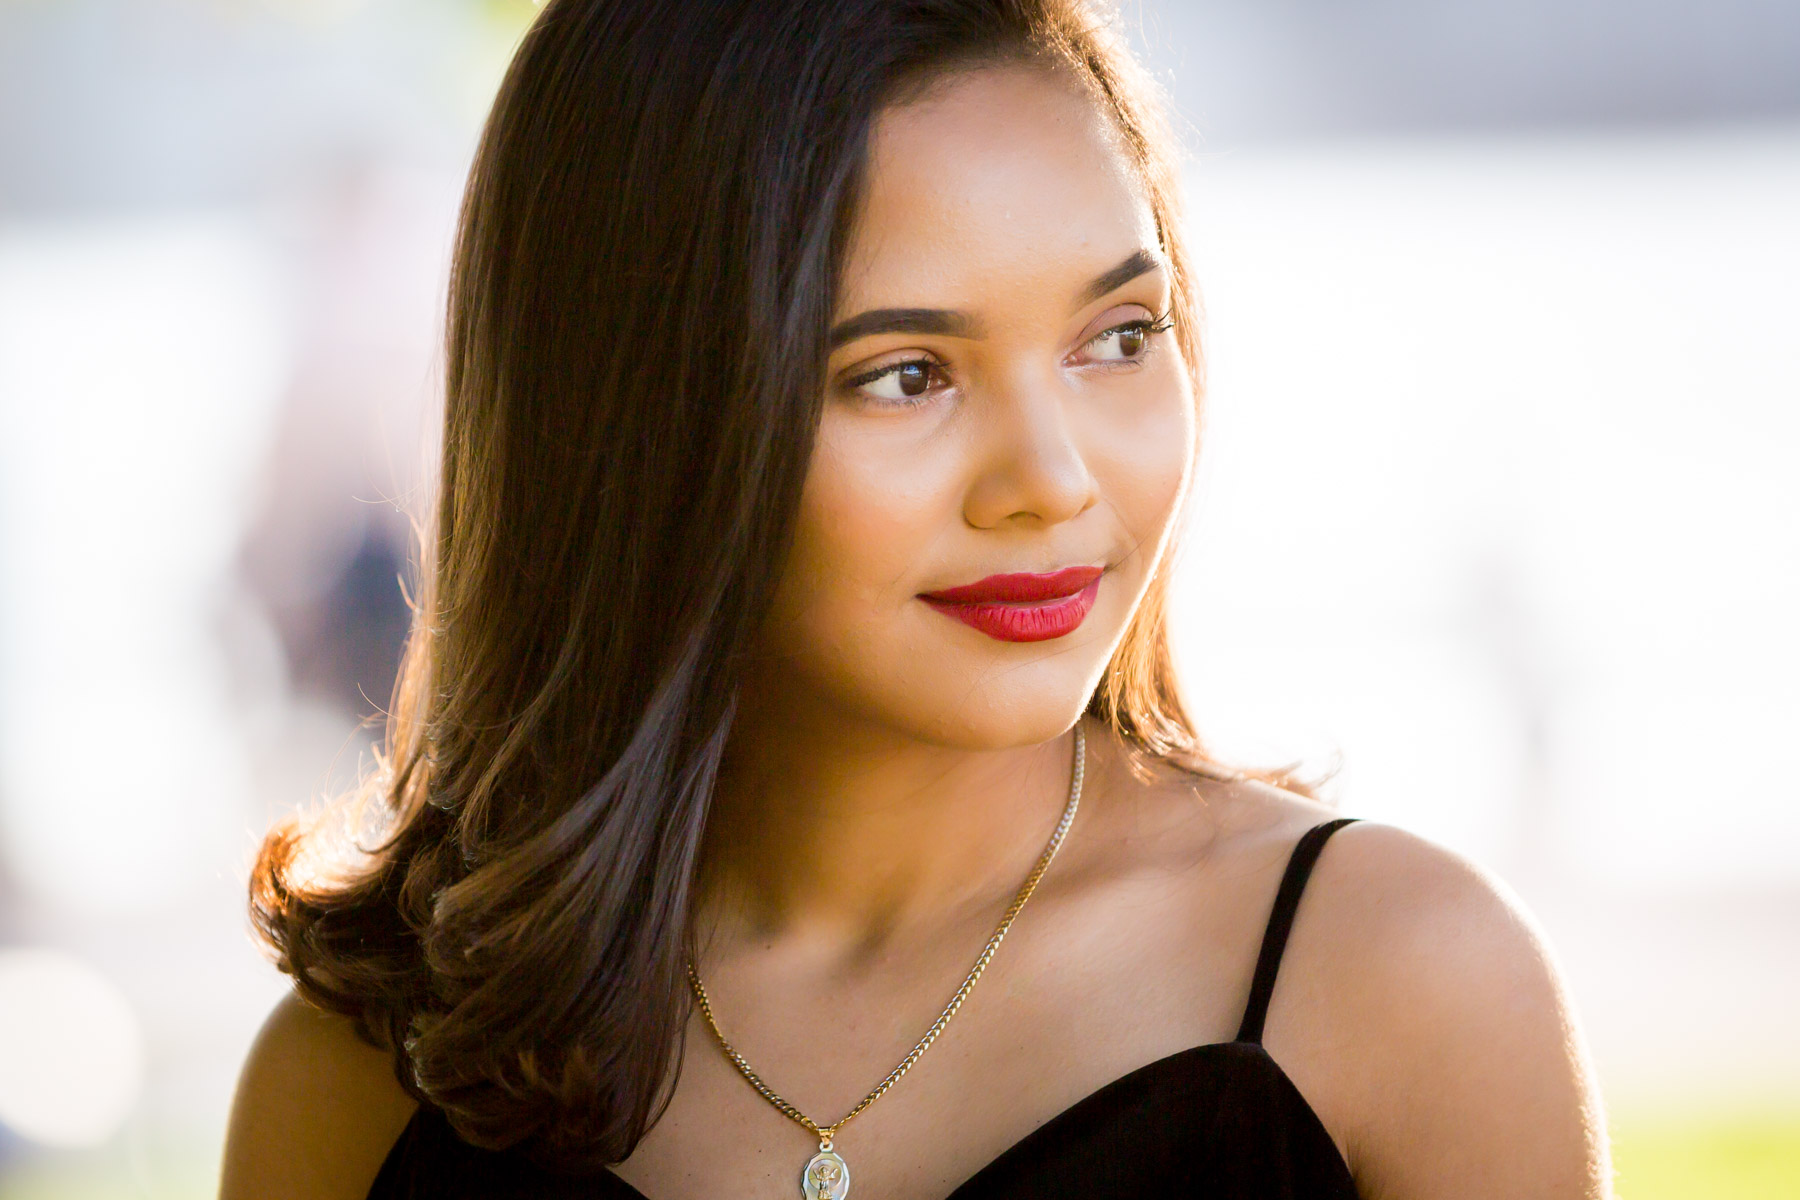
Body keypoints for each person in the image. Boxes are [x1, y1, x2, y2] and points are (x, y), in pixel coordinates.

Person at [220, 1, 1612, 1197]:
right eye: (906, 373)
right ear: (642, 416)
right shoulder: (364, 1081)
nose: (1052, 481)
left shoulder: (1403, 987)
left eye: (1118, 337)